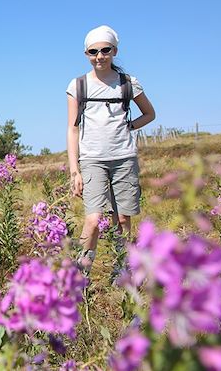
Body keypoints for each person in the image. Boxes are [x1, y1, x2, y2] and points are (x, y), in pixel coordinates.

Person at [66, 25, 156, 275]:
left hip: (124, 158)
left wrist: (129, 126)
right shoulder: (78, 86)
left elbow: (150, 114)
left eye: (105, 50)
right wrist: (75, 170)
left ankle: (121, 272)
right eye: (93, 51)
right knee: (93, 220)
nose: (99, 56)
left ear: (115, 51)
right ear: (86, 53)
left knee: (124, 219)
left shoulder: (128, 83)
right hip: (92, 160)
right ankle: (80, 273)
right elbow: (72, 130)